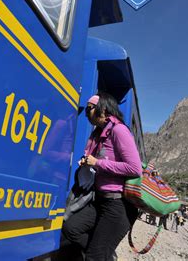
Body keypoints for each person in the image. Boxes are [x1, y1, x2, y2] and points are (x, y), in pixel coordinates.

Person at [61, 92, 143, 260]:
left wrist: (97, 163)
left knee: (94, 256)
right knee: (71, 228)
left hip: (117, 205)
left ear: (103, 109)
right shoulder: (99, 135)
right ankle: (104, 254)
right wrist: (87, 163)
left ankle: (101, 253)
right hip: (99, 201)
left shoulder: (119, 131)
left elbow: (135, 168)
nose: (86, 113)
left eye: (89, 108)